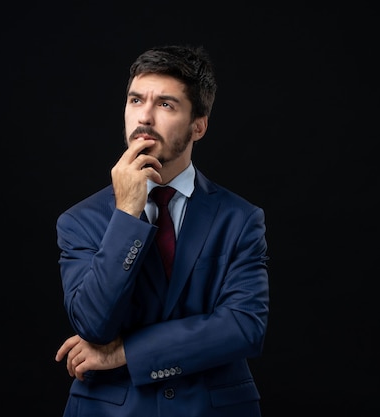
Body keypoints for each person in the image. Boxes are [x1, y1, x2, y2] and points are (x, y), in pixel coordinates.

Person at [54, 44, 269, 417]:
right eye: (136, 100)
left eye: (166, 105)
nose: (146, 117)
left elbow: (243, 326)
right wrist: (126, 215)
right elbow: (93, 324)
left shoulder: (241, 218)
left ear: (198, 126)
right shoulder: (79, 220)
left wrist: (126, 353)